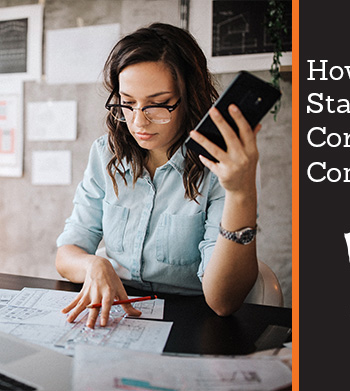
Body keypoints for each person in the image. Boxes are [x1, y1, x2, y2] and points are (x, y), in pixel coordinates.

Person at [55, 23, 261, 328]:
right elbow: (67, 253)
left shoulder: (221, 167)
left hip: (192, 321)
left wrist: (241, 193)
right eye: (128, 103)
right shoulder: (106, 154)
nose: (138, 121)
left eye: (158, 105)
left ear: (189, 97)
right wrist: (93, 264)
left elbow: (223, 302)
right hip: (119, 316)